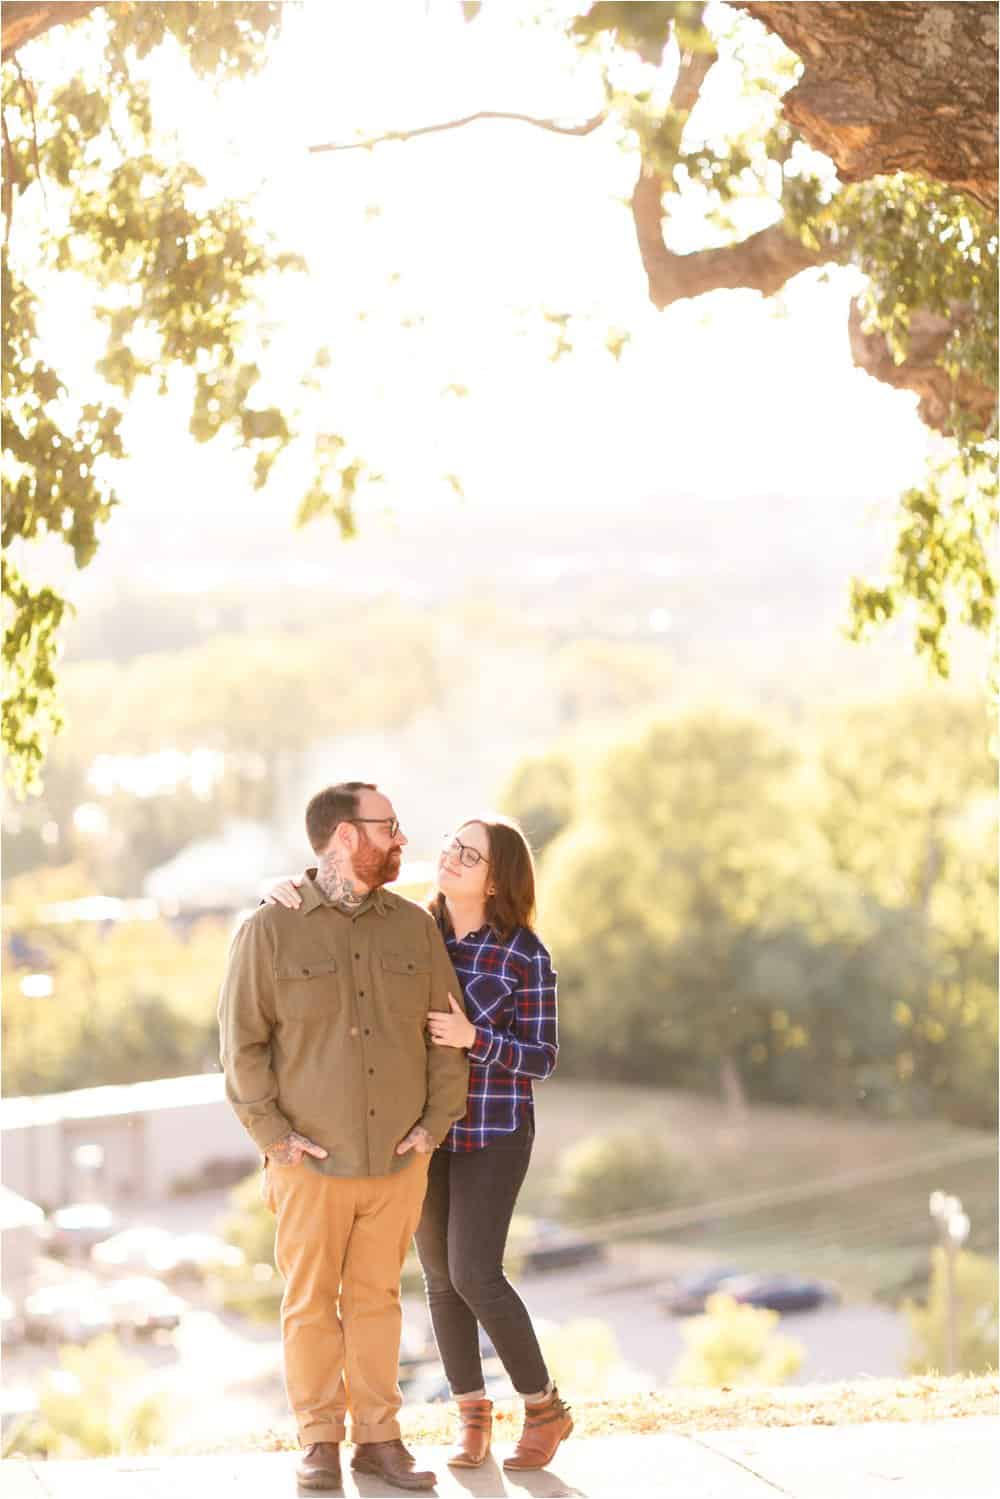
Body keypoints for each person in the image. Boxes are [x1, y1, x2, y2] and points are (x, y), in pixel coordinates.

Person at [267, 812, 572, 1473]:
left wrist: (475, 1039)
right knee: (438, 1280)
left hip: (494, 1131)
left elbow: (543, 1057)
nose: (451, 856)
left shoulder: (524, 953)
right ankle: (472, 1418)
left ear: (497, 881)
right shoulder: (412, 927)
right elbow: (337, 899)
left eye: (471, 853)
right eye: (452, 845)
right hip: (423, 1135)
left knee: (474, 1272)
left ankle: (544, 1406)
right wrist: (281, 886)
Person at [219, 781, 469, 1494]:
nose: (400, 838)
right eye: (388, 826)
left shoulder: (414, 927)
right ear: (345, 836)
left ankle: (380, 1440)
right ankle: (320, 1441)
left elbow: (446, 1034)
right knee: (308, 1303)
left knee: (378, 1300)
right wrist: (275, 1138)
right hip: (307, 1163)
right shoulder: (269, 929)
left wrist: (433, 1124)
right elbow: (242, 1047)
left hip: (397, 1160)